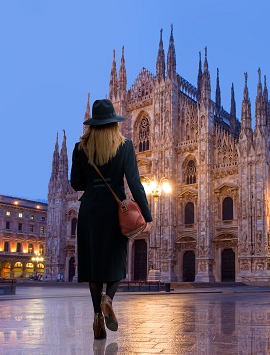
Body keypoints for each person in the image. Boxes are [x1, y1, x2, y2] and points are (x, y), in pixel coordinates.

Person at [70, 99, 152, 339]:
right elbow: (135, 184)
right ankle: (109, 298)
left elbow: (76, 183)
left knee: (94, 266)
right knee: (117, 264)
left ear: (93, 124)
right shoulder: (124, 146)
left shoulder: (80, 147)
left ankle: (97, 317)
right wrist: (146, 215)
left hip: (89, 210)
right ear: (114, 123)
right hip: (116, 208)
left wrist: (92, 183)